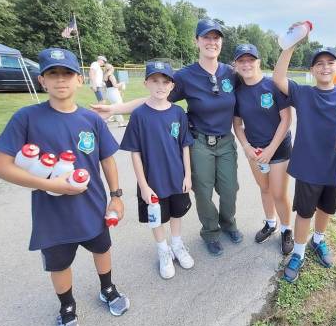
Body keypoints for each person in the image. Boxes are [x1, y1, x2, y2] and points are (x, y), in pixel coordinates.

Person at [0, 48, 130, 326]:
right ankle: (67, 309)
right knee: (58, 263)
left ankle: (107, 289)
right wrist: (47, 182)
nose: (60, 80)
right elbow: (1, 166)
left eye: (66, 73)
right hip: (51, 213)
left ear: (79, 79)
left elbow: (107, 158)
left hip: (92, 205)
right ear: (42, 80)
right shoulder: (27, 117)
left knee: (102, 247)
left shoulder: (90, 119)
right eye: (52, 74)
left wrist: (116, 196)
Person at [91, 19, 243, 256]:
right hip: (199, 142)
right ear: (197, 41)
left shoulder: (231, 73)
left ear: (221, 42)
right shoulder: (185, 76)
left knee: (230, 189)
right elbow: (155, 99)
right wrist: (115, 109)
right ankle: (211, 232)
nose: (211, 42)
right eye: (206, 37)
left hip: (225, 142)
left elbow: (253, 89)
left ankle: (228, 223)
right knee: (203, 192)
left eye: (216, 38)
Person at [273, 29, 336, 283]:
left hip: (332, 167)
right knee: (305, 213)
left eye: (330, 63)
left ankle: (318, 240)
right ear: (312, 70)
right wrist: (290, 45)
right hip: (308, 169)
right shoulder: (304, 93)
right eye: (319, 64)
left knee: (326, 209)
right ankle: (298, 252)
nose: (325, 67)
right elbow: (278, 78)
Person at [120, 61, 195, 279]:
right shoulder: (139, 115)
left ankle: (177, 245)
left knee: (176, 212)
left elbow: (184, 145)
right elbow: (134, 152)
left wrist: (188, 174)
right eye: (155, 81)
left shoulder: (178, 113)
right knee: (156, 216)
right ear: (146, 83)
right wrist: (143, 185)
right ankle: (163, 250)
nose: (160, 86)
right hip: (152, 179)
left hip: (177, 176)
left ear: (172, 86)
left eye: (165, 82)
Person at [232, 43, 294, 254]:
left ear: (258, 62)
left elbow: (286, 119)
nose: (246, 64)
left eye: (250, 60)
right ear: (236, 65)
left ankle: (286, 229)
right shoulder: (238, 92)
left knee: (278, 192)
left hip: (278, 148)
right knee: (264, 188)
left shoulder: (273, 85)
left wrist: (270, 150)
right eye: (242, 60)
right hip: (255, 150)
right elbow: (237, 124)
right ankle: (270, 223)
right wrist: (247, 147)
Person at [103, 63, 127, 127]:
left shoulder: (105, 75)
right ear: (111, 69)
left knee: (114, 106)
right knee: (119, 106)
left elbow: (107, 86)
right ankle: (120, 122)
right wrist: (122, 83)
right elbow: (115, 85)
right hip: (113, 92)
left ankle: (111, 119)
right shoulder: (111, 76)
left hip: (109, 92)